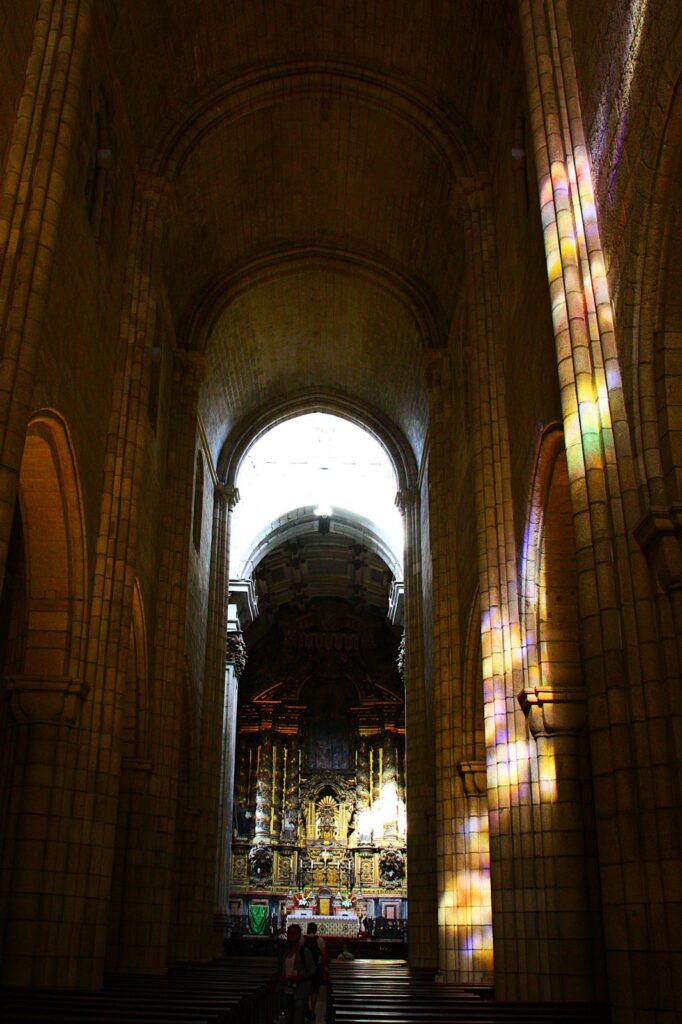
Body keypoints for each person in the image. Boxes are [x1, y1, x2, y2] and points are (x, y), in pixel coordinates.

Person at [278, 923, 316, 1024]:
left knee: (298, 1019)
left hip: (300, 991)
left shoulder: (304, 952)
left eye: (295, 933)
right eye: (290, 933)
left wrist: (299, 978)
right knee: (289, 1018)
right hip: (286, 990)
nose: (292, 935)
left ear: (299, 935)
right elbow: (280, 968)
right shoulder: (284, 952)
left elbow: (312, 970)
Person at [303, 921, 326, 1022]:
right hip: (317, 966)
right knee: (315, 988)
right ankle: (313, 1008)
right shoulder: (320, 940)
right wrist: (324, 965)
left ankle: (307, 1008)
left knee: (305, 987)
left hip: (305, 968)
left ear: (308, 929)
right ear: (316, 930)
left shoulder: (302, 939)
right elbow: (323, 953)